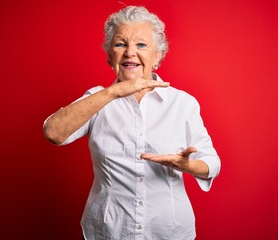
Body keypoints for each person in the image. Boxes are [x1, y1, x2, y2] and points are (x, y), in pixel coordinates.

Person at [43, 5, 221, 240]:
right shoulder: (96, 99)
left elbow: (211, 162)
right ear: (109, 56)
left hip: (169, 232)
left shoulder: (183, 103)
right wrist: (113, 93)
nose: (130, 52)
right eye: (120, 44)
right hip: (108, 231)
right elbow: (54, 133)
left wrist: (186, 165)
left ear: (157, 56)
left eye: (141, 45)